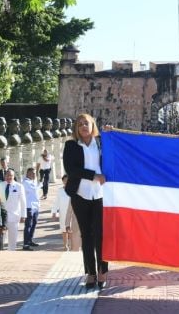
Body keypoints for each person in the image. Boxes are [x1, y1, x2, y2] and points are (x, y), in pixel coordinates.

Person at [63, 113, 108, 290]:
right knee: (86, 235)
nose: (83, 126)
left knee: (100, 235)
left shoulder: (101, 143)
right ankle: (91, 272)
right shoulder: (71, 146)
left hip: (100, 194)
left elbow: (116, 151)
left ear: (92, 125)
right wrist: (93, 176)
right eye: (80, 124)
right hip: (80, 194)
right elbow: (71, 169)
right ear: (76, 128)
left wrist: (110, 133)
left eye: (86, 123)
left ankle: (103, 270)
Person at [0, 168, 26, 251]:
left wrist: (23, 215)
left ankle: (11, 253)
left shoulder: (19, 186)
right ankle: (1, 253)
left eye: (11, 175)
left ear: (13, 176)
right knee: (1, 238)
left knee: (13, 238)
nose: (9, 177)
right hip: (2, 217)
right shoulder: (0, 185)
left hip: (14, 216)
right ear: (5, 176)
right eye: (7, 175)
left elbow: (23, 202)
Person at [52, 174, 75, 250]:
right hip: (63, 213)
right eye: (65, 180)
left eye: (68, 180)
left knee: (71, 230)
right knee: (64, 230)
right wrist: (54, 212)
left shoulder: (74, 190)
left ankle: (72, 245)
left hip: (72, 213)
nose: (66, 182)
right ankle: (65, 245)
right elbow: (56, 202)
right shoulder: (60, 190)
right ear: (63, 181)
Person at [22, 167, 40, 250]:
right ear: (28, 173)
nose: (34, 175)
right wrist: (40, 183)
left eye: (35, 173)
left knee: (34, 224)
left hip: (35, 206)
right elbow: (35, 189)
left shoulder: (32, 181)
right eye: (32, 173)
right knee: (28, 225)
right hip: (29, 206)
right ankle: (25, 244)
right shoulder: (25, 182)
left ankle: (30, 240)